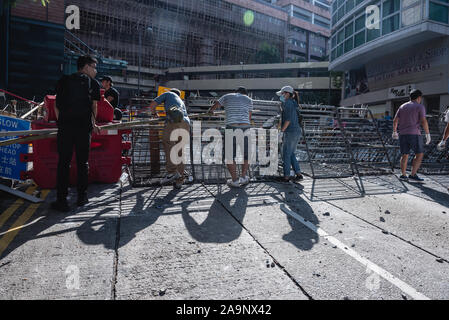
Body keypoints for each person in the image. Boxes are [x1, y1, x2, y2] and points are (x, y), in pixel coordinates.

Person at [51, 55, 101, 212]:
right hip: (83, 128)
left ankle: (61, 200)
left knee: (63, 163)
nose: (95, 70)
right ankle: (81, 197)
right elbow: (94, 107)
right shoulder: (93, 83)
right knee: (82, 163)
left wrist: (62, 123)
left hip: (65, 128)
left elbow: (56, 105)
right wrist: (93, 124)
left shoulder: (64, 80)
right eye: (93, 67)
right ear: (85, 67)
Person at [208, 86, 253, 188]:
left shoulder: (227, 96)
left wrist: (212, 111)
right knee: (246, 155)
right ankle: (243, 177)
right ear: (244, 93)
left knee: (229, 155)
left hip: (231, 127)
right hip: (245, 127)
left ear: (235, 92)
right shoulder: (249, 99)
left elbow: (214, 106)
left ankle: (235, 180)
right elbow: (249, 117)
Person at [149, 88, 190, 189]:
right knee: (180, 151)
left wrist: (154, 114)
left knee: (167, 142)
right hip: (186, 123)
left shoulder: (168, 94)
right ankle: (179, 181)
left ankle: (172, 172)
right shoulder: (181, 101)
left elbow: (152, 104)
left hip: (174, 121)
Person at [392, 89, 431, 182]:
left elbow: (395, 120)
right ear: (419, 97)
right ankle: (413, 174)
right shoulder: (420, 107)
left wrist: (394, 131)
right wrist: (427, 134)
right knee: (419, 154)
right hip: (414, 134)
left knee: (404, 154)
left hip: (402, 134)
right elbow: (423, 121)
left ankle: (403, 174)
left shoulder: (402, 106)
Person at [277, 85, 303, 182]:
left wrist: (281, 132)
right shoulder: (294, 103)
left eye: (283, 94)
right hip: (296, 131)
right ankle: (298, 174)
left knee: (286, 154)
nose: (281, 96)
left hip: (290, 131)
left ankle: (286, 176)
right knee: (291, 153)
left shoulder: (287, 103)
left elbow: (288, 120)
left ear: (287, 94)